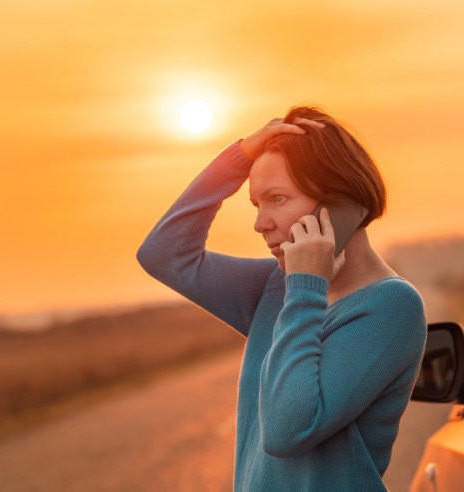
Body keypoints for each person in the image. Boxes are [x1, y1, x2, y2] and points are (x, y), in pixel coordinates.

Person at [136, 105, 427, 491]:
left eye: (277, 199)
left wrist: (307, 287)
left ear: (338, 206)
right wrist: (239, 157)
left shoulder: (391, 307)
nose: (260, 224)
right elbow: (164, 254)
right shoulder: (277, 286)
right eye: (257, 205)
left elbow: (287, 431)